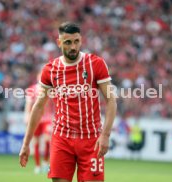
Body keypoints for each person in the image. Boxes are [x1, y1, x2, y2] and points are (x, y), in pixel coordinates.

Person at [19, 22, 117, 182]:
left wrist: (105, 135)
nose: (73, 47)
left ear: (81, 40)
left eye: (76, 41)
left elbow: (111, 101)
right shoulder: (50, 70)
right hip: (61, 138)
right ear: (59, 42)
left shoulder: (95, 64)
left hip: (91, 140)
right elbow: (38, 107)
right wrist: (26, 143)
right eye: (68, 42)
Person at [24, 69, 54, 174]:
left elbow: (54, 103)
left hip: (47, 118)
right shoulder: (32, 89)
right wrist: (27, 116)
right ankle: (38, 166)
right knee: (36, 142)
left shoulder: (50, 89)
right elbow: (28, 104)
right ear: (37, 77)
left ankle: (45, 163)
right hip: (36, 118)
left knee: (47, 140)